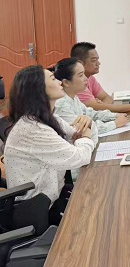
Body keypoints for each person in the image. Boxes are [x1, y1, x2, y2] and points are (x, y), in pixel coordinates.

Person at [4, 65, 95, 224]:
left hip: (55, 197)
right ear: (39, 89)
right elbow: (79, 157)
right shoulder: (33, 129)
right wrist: (86, 135)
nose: (60, 82)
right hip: (38, 211)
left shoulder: (48, 118)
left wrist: (87, 123)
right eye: (53, 79)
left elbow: (77, 133)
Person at [54, 58, 129, 144]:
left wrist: (115, 116)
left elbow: (91, 114)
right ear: (66, 82)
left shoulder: (73, 97)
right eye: (81, 75)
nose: (86, 78)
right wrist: (115, 123)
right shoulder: (61, 104)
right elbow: (83, 130)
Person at [70, 42, 130, 113]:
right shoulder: (76, 83)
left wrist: (101, 106)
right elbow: (96, 108)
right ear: (80, 63)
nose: (98, 63)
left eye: (97, 60)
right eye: (94, 60)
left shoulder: (90, 78)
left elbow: (107, 98)